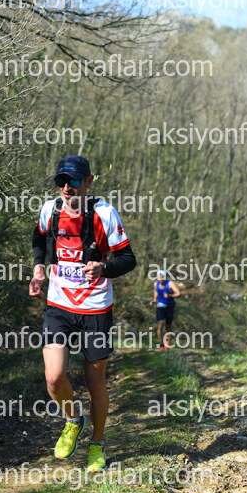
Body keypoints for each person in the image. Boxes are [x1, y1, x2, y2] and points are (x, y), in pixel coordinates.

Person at [29, 155, 136, 472]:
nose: (66, 187)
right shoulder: (50, 209)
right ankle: (73, 419)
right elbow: (38, 237)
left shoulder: (104, 213)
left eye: (74, 181)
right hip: (59, 304)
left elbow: (128, 259)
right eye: (61, 180)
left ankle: (97, 443)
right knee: (53, 377)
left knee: (95, 381)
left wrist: (104, 268)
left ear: (88, 182)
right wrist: (38, 268)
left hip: (95, 308)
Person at [149, 270, 180, 351]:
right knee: (160, 325)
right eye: (159, 277)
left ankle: (167, 343)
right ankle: (161, 344)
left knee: (168, 327)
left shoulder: (170, 284)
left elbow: (178, 293)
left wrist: (170, 295)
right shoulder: (156, 284)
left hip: (169, 307)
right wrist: (153, 301)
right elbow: (156, 295)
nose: (161, 278)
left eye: (162, 277)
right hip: (160, 307)